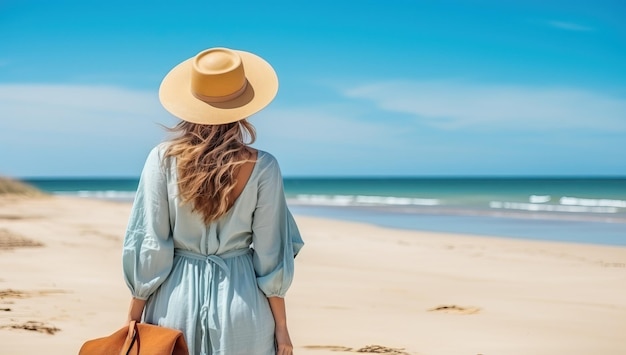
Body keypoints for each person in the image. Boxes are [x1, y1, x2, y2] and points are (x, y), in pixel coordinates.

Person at [122, 47, 304, 355]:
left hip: (173, 302)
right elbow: (270, 253)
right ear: (243, 105)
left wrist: (132, 316)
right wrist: (283, 331)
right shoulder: (263, 166)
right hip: (243, 305)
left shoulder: (162, 160)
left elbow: (150, 243)